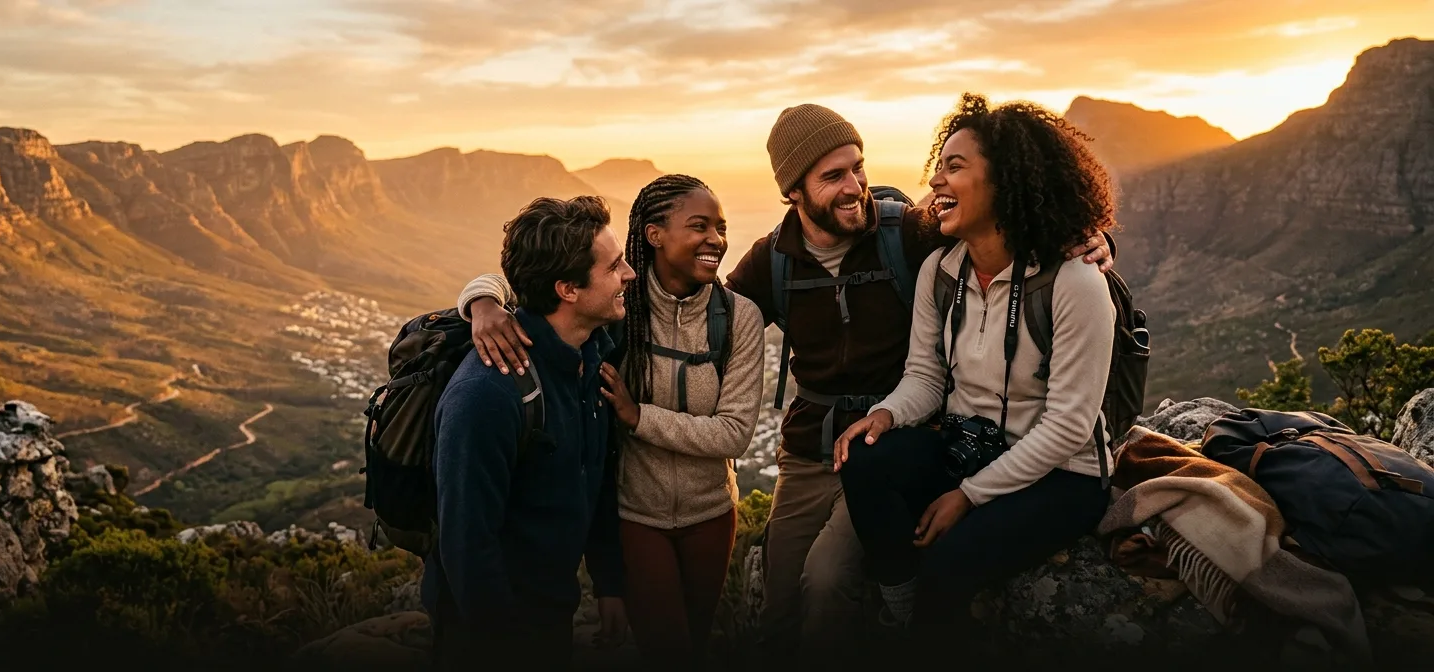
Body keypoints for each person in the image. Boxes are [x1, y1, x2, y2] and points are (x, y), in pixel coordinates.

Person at [713, 103, 1113, 664]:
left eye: (858, 167)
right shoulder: (777, 262)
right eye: (833, 176)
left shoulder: (912, 237)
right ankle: (901, 615)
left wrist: (1090, 238)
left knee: (836, 583)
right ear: (794, 193)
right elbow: (712, 320)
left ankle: (912, 632)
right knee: (781, 604)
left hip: (1034, 466)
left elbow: (1023, 218)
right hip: (819, 448)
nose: (856, 186)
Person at [832, 93, 1120, 661]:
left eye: (955, 167)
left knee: (951, 558)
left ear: (1007, 179)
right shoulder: (941, 272)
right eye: (939, 167)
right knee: (866, 457)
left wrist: (967, 496)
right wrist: (886, 415)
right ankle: (904, 607)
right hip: (971, 450)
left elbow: (1068, 426)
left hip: (1063, 477)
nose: (936, 181)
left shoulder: (1074, 283)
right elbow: (924, 377)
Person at [456, 175, 767, 668]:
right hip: (618, 530)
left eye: (721, 227)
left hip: (703, 515)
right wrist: (482, 300)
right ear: (654, 235)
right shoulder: (609, 317)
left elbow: (729, 434)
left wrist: (639, 416)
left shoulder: (720, 320)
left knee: (694, 643)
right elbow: (469, 545)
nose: (629, 275)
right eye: (699, 225)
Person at [423, 195, 633, 670]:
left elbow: (595, 474)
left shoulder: (589, 356)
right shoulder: (486, 397)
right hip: (486, 635)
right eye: (615, 266)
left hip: (550, 614)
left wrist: (609, 584)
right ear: (568, 289)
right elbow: (468, 546)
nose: (629, 275)